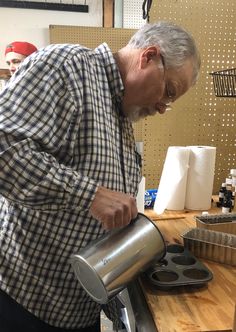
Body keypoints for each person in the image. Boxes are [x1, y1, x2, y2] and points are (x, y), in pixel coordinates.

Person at [0, 21, 201, 332]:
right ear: (148, 57)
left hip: (79, 309)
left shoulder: (121, 117)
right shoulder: (66, 68)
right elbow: (5, 149)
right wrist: (90, 195)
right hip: (23, 303)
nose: (163, 107)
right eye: (169, 91)